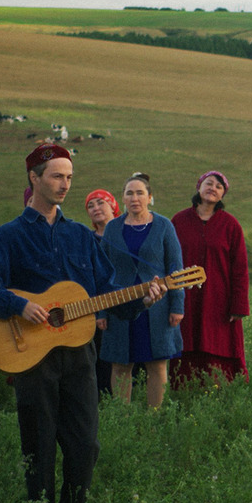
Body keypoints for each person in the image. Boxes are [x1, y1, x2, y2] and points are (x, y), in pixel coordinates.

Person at [0, 144, 162, 503]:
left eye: (69, 177)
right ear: (34, 178)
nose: (64, 184)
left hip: (79, 355)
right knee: (38, 444)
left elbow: (108, 291)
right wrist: (16, 306)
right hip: (31, 354)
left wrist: (142, 298)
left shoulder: (81, 237)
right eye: (56, 176)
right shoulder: (9, 237)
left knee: (85, 443)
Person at [99, 173, 184, 408]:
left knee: (156, 363)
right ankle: (121, 418)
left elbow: (176, 269)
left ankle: (153, 419)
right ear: (122, 199)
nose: (134, 198)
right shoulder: (113, 228)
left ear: (150, 197)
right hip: (119, 305)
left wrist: (177, 306)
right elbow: (102, 272)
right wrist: (102, 312)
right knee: (120, 364)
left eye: (140, 193)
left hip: (158, 307)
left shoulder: (164, 226)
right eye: (129, 193)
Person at [170, 171, 250, 386]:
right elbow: (167, 259)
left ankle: (217, 393)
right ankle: (182, 392)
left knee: (217, 345)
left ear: (222, 195)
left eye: (219, 186)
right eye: (209, 183)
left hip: (219, 299)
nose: (213, 188)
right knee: (184, 342)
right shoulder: (179, 221)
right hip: (184, 298)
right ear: (199, 187)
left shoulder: (231, 225)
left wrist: (238, 306)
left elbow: (240, 269)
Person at [84, 188, 120, 396]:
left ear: (113, 206)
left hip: (124, 301)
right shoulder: (88, 240)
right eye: (90, 205)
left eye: (100, 203)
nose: (96, 208)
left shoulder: (125, 235)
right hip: (96, 306)